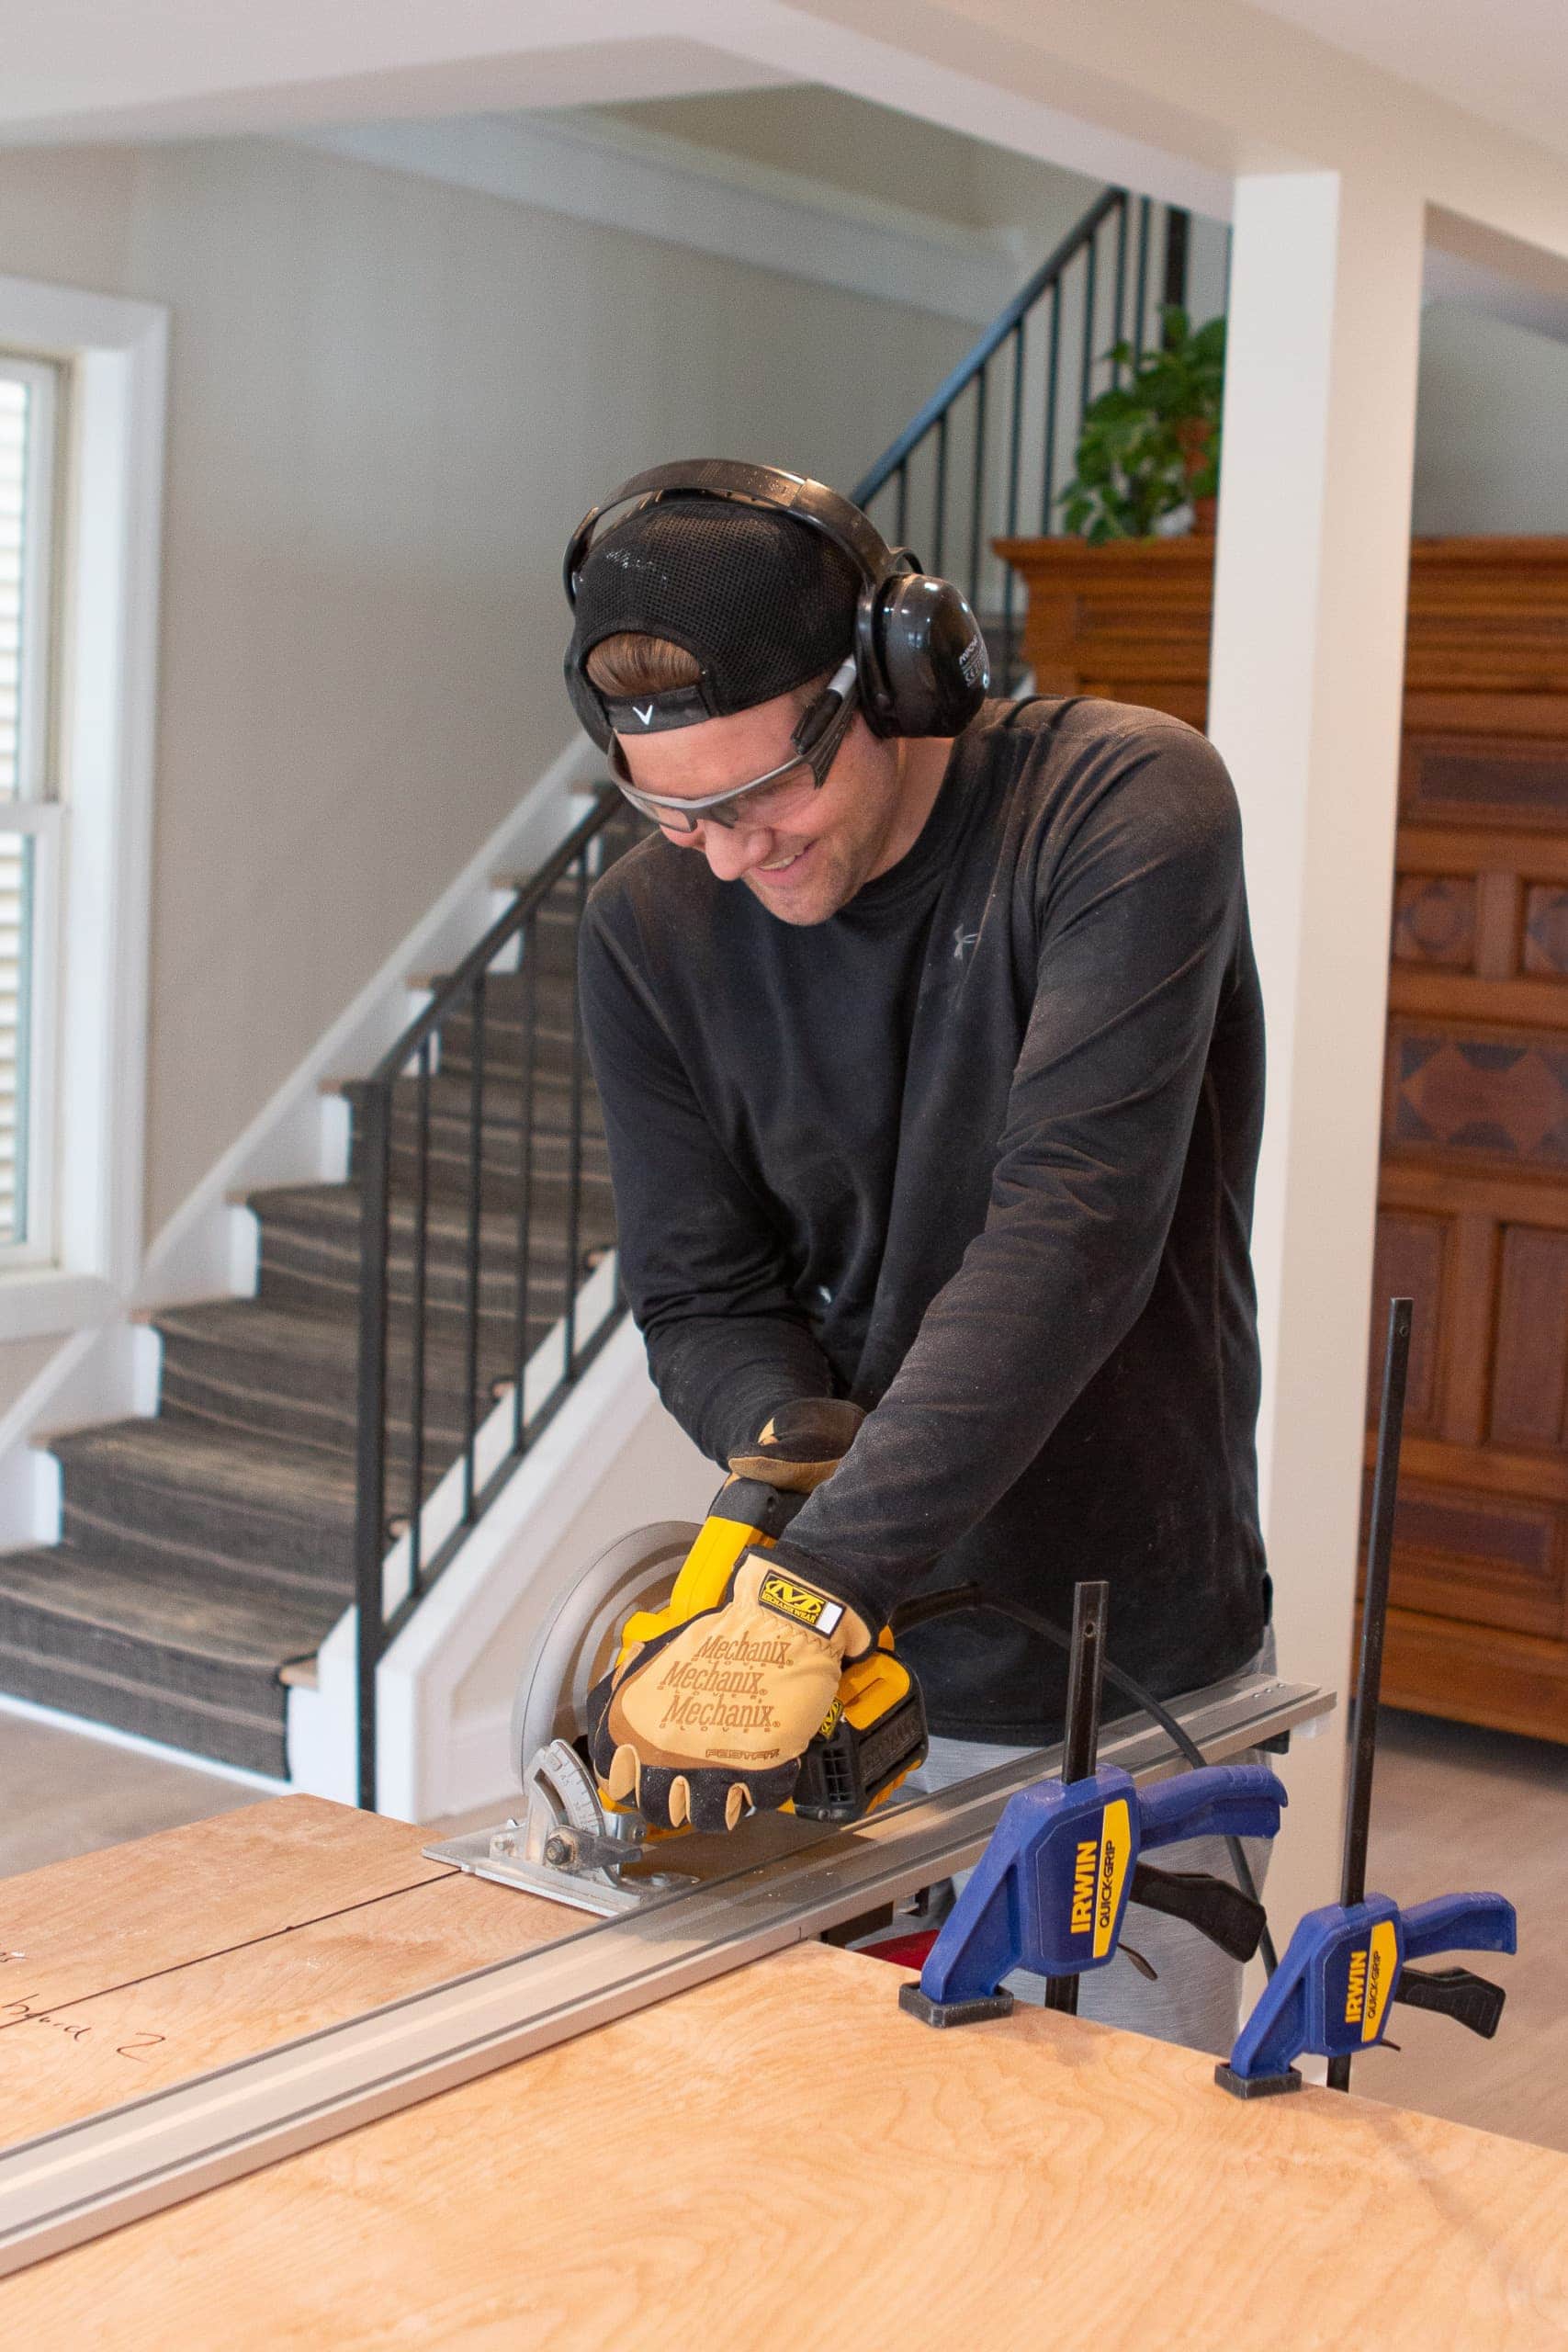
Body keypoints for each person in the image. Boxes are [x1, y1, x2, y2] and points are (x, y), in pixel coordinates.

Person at [562, 460, 1273, 2051]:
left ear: (898, 677)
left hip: (1126, 1650)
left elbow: (1072, 1232)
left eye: (763, 797)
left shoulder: (1119, 810)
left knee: (1133, 2169)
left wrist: (801, 1597)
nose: (731, 853)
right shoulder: (650, 929)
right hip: (850, 1676)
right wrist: (789, 1464)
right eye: (672, 810)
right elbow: (700, 1291)